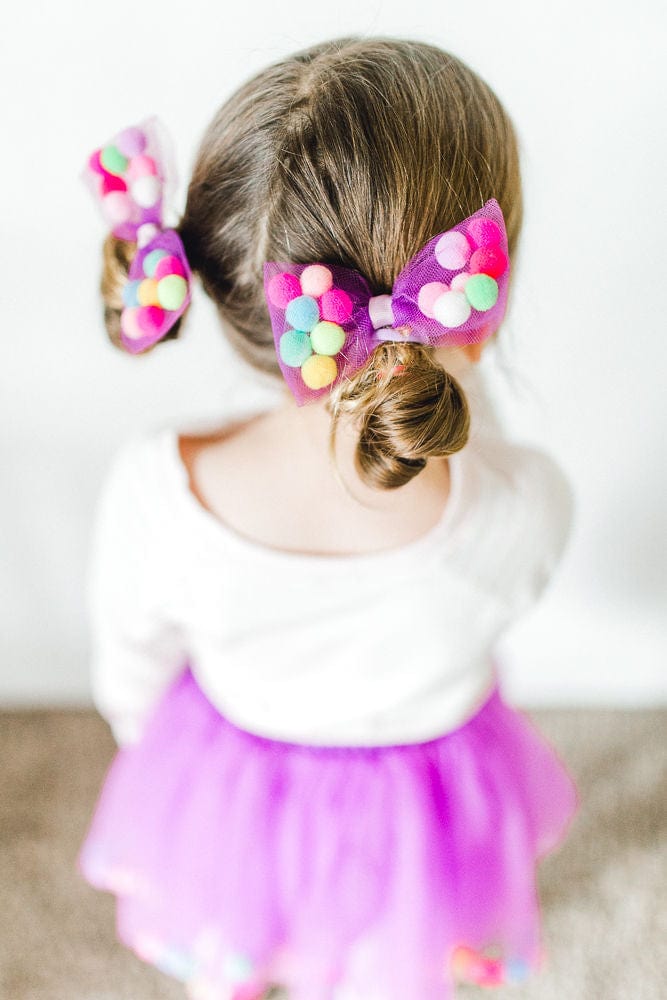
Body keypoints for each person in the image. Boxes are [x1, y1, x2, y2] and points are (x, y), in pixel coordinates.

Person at [77, 35, 580, 1000]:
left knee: (246, 929)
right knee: (398, 949)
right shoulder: (522, 503)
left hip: (235, 791)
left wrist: (166, 752)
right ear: (478, 285)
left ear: (221, 279)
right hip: (421, 811)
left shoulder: (156, 489)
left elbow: (128, 669)